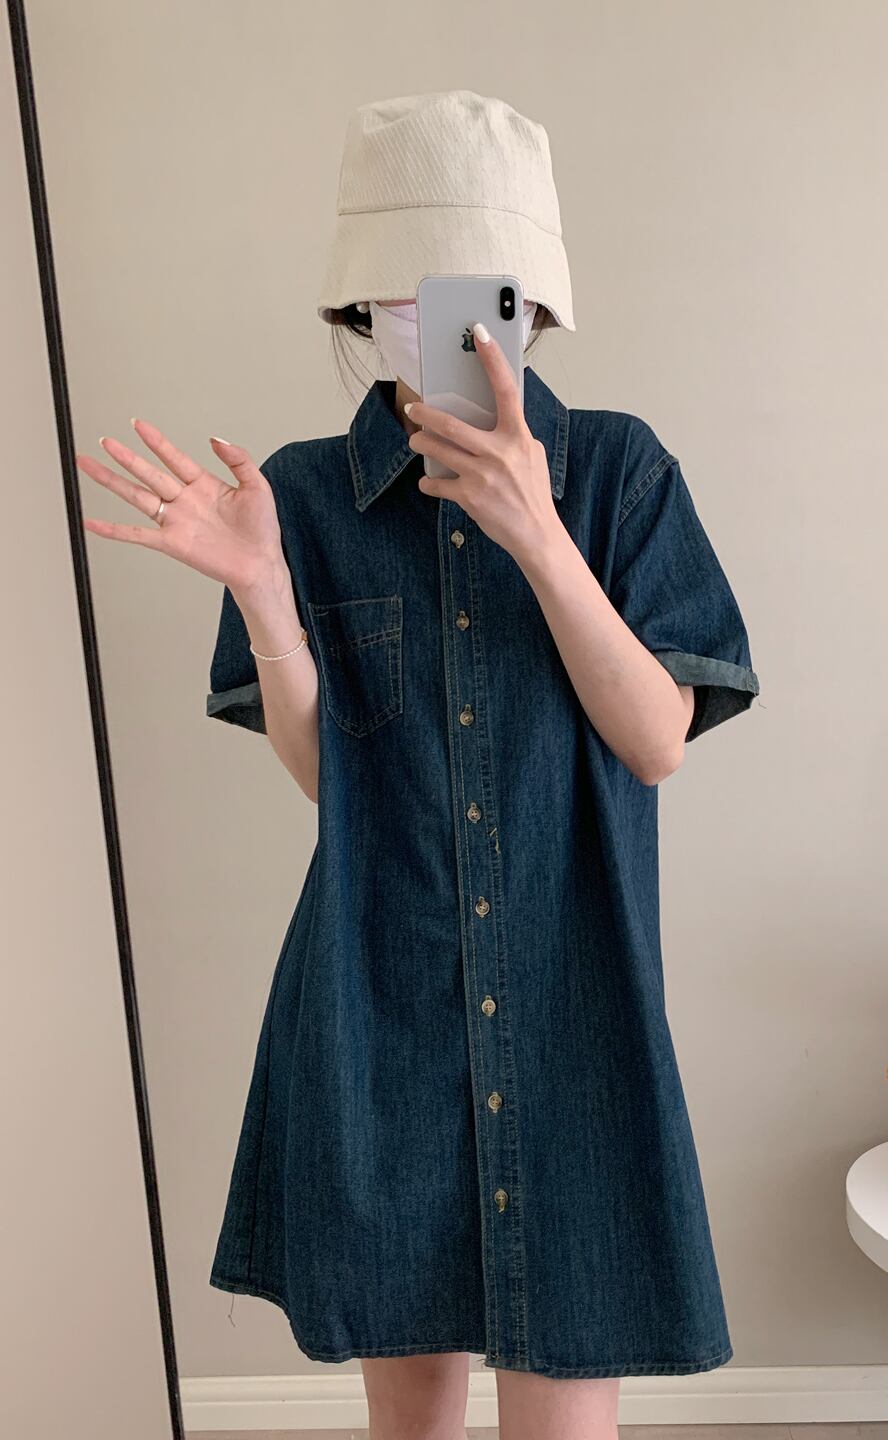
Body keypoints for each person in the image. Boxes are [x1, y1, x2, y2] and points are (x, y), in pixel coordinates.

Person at [77, 88, 760, 1440]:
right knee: (413, 1428)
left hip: (574, 1013)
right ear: (361, 306)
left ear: (530, 305)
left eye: (469, 295)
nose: (436, 325)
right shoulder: (300, 496)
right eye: (403, 294)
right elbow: (332, 781)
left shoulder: (617, 473)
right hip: (375, 1005)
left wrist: (537, 532)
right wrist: (264, 592)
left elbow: (656, 741)